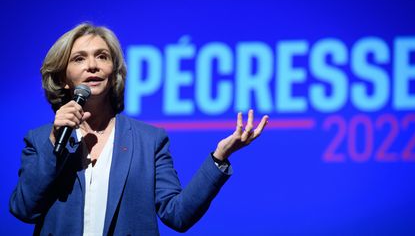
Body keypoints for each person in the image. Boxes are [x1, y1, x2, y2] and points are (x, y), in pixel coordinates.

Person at [9, 23, 269, 235]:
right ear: (64, 79)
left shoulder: (149, 140)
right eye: (79, 59)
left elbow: (178, 215)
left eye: (102, 56)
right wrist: (55, 141)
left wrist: (219, 157)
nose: (92, 65)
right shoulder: (41, 139)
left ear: (114, 72)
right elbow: (24, 209)